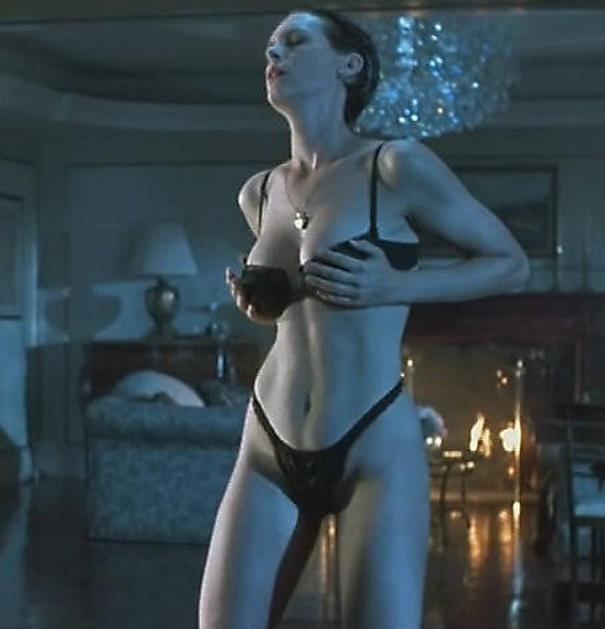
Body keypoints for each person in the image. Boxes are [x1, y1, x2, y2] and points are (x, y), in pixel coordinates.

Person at [198, 9, 530, 629]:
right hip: (268, 439)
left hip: (372, 442)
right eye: (270, 46)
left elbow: (510, 265)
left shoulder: (395, 166)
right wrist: (261, 302)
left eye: (294, 41)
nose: (274, 55)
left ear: (348, 65)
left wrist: (401, 285)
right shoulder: (259, 192)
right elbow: (306, 316)